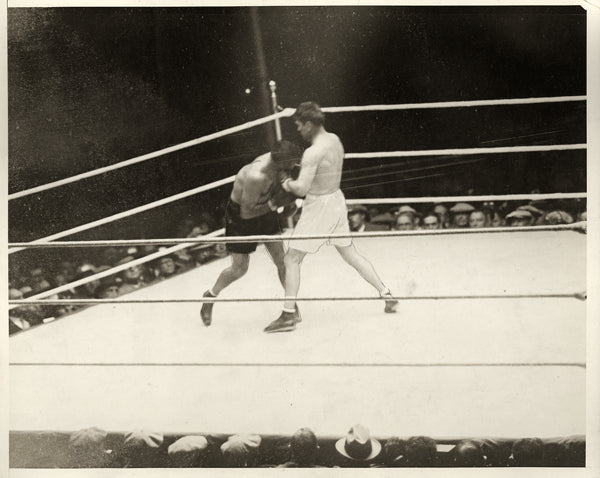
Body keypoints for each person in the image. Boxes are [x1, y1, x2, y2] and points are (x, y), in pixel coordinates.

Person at [264, 102, 397, 333]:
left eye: (298, 125)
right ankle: (386, 294)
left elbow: (302, 188)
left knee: (291, 259)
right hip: (336, 199)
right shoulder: (335, 140)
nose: (298, 130)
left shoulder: (313, 151)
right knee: (350, 253)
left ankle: (287, 315)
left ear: (308, 123)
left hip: (319, 205)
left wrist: (285, 181)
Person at [200, 140, 303, 326]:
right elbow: (247, 212)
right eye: (291, 163)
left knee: (282, 261)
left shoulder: (278, 165)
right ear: (281, 162)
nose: (293, 167)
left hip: (264, 210)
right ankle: (210, 297)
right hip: (241, 216)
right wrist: (276, 204)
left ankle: (291, 308)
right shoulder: (256, 175)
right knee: (239, 269)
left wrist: (288, 203)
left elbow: (278, 189)